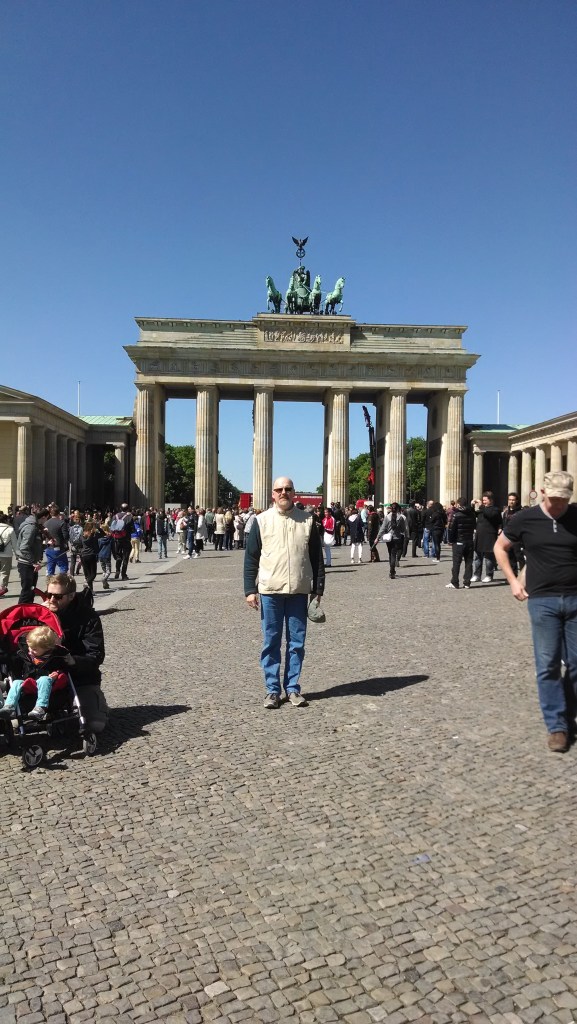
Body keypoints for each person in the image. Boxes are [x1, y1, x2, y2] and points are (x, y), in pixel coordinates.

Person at [494, 471, 577, 753]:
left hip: (576, 598)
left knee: (576, 663)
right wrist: (514, 580)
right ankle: (558, 726)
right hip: (543, 600)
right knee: (548, 665)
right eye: (554, 499)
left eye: (564, 500)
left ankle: (566, 712)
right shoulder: (525, 519)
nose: (559, 505)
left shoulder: (575, 515)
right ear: (542, 492)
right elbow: (500, 547)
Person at [244, 476, 325, 710]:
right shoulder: (262, 520)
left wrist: (318, 589)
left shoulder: (308, 520)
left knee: (296, 643)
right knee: (271, 641)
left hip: (299, 590)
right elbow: (251, 557)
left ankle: (292, 688)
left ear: (294, 492)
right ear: (272, 493)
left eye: (287, 489)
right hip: (270, 590)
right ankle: (272, 690)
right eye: (279, 489)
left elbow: (317, 558)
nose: (283, 493)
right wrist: (250, 589)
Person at [43, 573, 108, 734]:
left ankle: (97, 704)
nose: (51, 600)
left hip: (80, 677)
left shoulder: (88, 617)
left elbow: (96, 655)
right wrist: (42, 620)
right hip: (47, 677)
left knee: (95, 725)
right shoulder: (40, 614)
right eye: (48, 594)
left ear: (71, 596)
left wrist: (74, 661)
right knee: (17, 722)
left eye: (58, 596)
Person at [0, 625, 68, 722]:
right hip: (31, 683)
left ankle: (40, 707)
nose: (30, 650)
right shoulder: (24, 654)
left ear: (47, 649)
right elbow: (11, 659)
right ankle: (9, 707)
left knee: (44, 679)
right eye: (29, 647)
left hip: (50, 684)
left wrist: (57, 673)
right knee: (16, 682)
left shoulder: (56, 657)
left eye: (35, 649)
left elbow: (64, 668)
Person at [15, 508, 49, 604]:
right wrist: (33, 562)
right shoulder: (31, 527)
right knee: (27, 592)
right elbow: (24, 547)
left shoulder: (35, 526)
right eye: (47, 519)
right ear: (43, 517)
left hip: (30, 563)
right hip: (26, 564)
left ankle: (28, 613)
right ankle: (20, 614)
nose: (46, 521)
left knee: (31, 591)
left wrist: (46, 545)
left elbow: (34, 545)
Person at [471, 491, 502, 582]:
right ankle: (477, 575)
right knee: (477, 557)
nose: (483, 502)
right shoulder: (482, 509)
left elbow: (489, 515)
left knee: (489, 558)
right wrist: (472, 506)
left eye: (485, 500)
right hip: (479, 535)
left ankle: (489, 575)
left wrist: (481, 505)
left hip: (489, 536)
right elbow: (473, 515)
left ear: (491, 500)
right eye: (483, 500)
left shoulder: (495, 510)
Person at [446, 497, 476, 589]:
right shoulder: (472, 514)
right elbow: (474, 526)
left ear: (459, 504)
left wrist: (450, 540)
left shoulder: (456, 515)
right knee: (469, 562)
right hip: (469, 541)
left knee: (456, 563)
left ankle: (455, 582)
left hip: (458, 542)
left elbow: (452, 529)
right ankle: (467, 582)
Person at [375, 502, 407, 579]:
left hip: (389, 538)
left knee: (391, 554)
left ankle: (391, 570)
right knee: (394, 554)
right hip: (397, 538)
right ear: (398, 509)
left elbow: (383, 528)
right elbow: (403, 529)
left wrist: (377, 537)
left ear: (391, 509)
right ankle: (392, 570)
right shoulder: (401, 518)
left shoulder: (387, 517)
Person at [502, 492, 525, 576]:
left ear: (516, 501)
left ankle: (523, 576)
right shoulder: (506, 512)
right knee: (511, 558)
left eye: (513, 500)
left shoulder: (521, 512)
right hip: (508, 538)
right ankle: (514, 576)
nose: (511, 501)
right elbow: (504, 524)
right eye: (509, 500)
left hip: (517, 539)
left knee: (520, 558)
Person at [44, 506, 70, 576]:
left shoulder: (46, 523)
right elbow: (66, 536)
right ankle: (62, 582)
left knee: (50, 569)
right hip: (59, 548)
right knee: (63, 567)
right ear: (59, 514)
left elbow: (43, 536)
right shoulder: (61, 523)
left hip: (49, 548)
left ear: (50, 513)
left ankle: (49, 584)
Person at [110, 503, 133, 580]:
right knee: (125, 557)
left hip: (116, 539)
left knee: (118, 556)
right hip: (126, 539)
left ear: (120, 509)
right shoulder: (129, 517)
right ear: (127, 509)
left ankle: (117, 571)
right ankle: (124, 575)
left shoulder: (115, 516)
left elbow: (112, 527)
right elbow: (132, 529)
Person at [0, 513, 18, 597]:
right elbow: (15, 544)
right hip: (6, 554)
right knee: (4, 572)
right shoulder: (10, 529)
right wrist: (18, 555)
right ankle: (1, 589)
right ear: (6, 520)